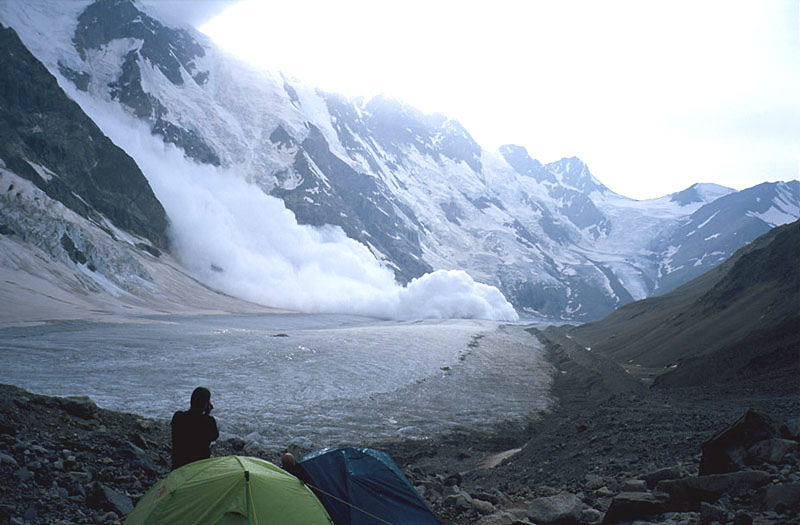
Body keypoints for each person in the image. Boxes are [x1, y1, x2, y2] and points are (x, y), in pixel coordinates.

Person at [171, 387, 219, 470]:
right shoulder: (209, 421)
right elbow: (214, 436)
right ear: (206, 404)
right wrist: (207, 414)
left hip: (178, 465)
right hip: (199, 466)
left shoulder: (178, 417)